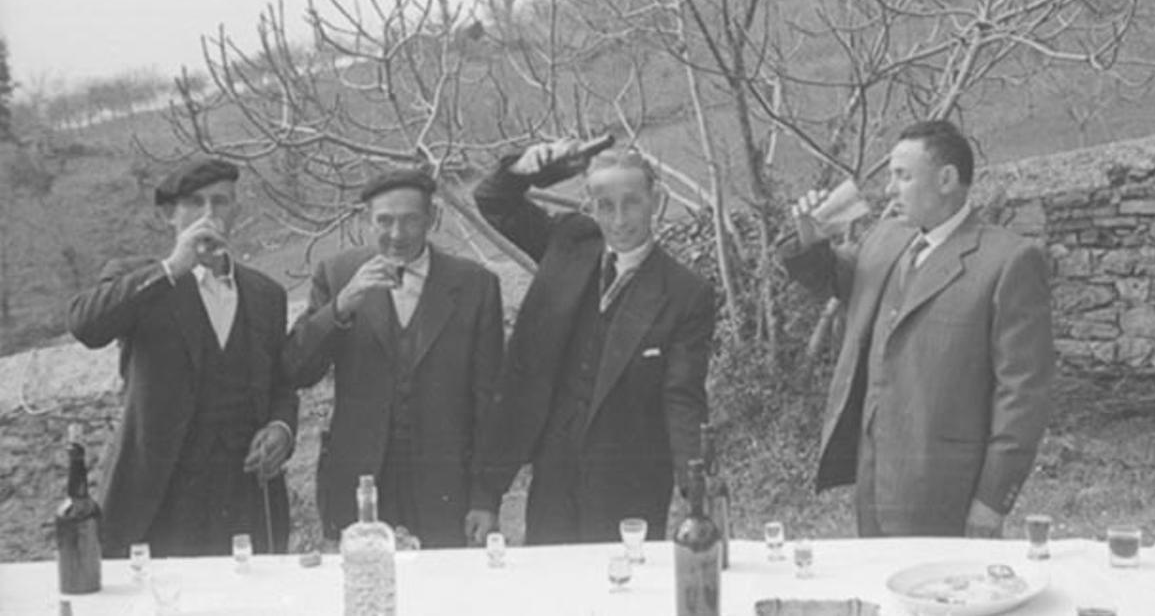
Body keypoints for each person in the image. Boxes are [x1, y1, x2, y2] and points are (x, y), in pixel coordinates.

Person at [779, 120, 1054, 537]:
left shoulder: (1009, 261)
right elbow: (836, 279)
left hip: (947, 488)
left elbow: (1024, 395)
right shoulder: (886, 237)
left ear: (946, 179)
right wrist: (810, 240)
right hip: (872, 478)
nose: (889, 189)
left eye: (903, 176)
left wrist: (992, 501)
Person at [465, 141, 715, 545]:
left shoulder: (685, 294)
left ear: (655, 201)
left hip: (630, 483)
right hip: (553, 474)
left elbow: (682, 398)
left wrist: (697, 491)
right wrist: (532, 170)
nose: (619, 220)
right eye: (605, 205)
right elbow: (493, 200)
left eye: (632, 203)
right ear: (590, 206)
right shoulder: (569, 242)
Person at [67, 158, 295, 558]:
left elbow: (281, 380)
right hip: (161, 493)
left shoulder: (267, 294)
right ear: (169, 215)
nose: (209, 214)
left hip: (245, 488)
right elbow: (86, 325)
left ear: (236, 210)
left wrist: (281, 427)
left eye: (221, 202)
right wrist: (173, 267)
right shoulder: (142, 279)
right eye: (195, 202)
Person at [283, 170, 503, 548]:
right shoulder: (337, 274)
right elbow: (296, 369)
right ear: (366, 220)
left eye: (410, 220)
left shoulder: (475, 284)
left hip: (444, 485)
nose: (397, 234)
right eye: (384, 221)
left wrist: (485, 498)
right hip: (360, 483)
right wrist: (340, 307)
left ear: (432, 218)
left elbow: (490, 399)